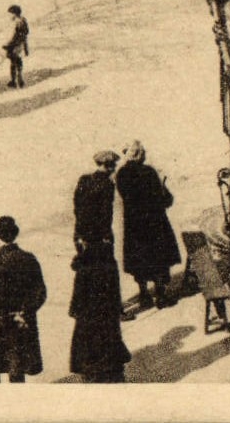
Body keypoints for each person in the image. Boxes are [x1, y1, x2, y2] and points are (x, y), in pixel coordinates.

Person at [0, 216, 47, 384]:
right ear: (15, 235)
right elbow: (40, 293)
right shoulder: (29, 259)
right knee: (17, 372)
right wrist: (24, 312)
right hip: (21, 323)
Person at [114, 141, 181, 310]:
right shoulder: (149, 172)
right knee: (158, 258)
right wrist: (164, 186)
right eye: (143, 153)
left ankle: (144, 294)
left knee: (139, 259)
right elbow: (164, 200)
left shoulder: (121, 174)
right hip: (154, 224)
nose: (145, 155)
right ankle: (160, 295)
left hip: (134, 226)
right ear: (139, 154)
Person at [68, 239, 130, 383]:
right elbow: (115, 289)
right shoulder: (109, 260)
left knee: (89, 345)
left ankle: (93, 375)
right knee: (110, 341)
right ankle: (113, 372)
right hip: (107, 312)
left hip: (88, 314)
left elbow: (79, 291)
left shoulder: (83, 263)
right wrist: (117, 309)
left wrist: (74, 309)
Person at [74, 150, 119, 246]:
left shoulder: (84, 179)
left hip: (82, 232)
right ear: (108, 166)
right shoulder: (107, 184)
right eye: (113, 166)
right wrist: (106, 235)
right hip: (98, 235)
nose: (114, 169)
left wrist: (78, 233)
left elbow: (77, 206)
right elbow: (106, 211)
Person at [4, 4, 30, 89]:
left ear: (14, 13)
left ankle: (15, 81)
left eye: (10, 14)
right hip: (22, 44)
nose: (9, 16)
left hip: (15, 46)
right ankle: (20, 80)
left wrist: (7, 44)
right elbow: (26, 32)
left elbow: (14, 35)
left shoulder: (16, 22)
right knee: (19, 63)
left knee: (13, 63)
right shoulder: (23, 20)